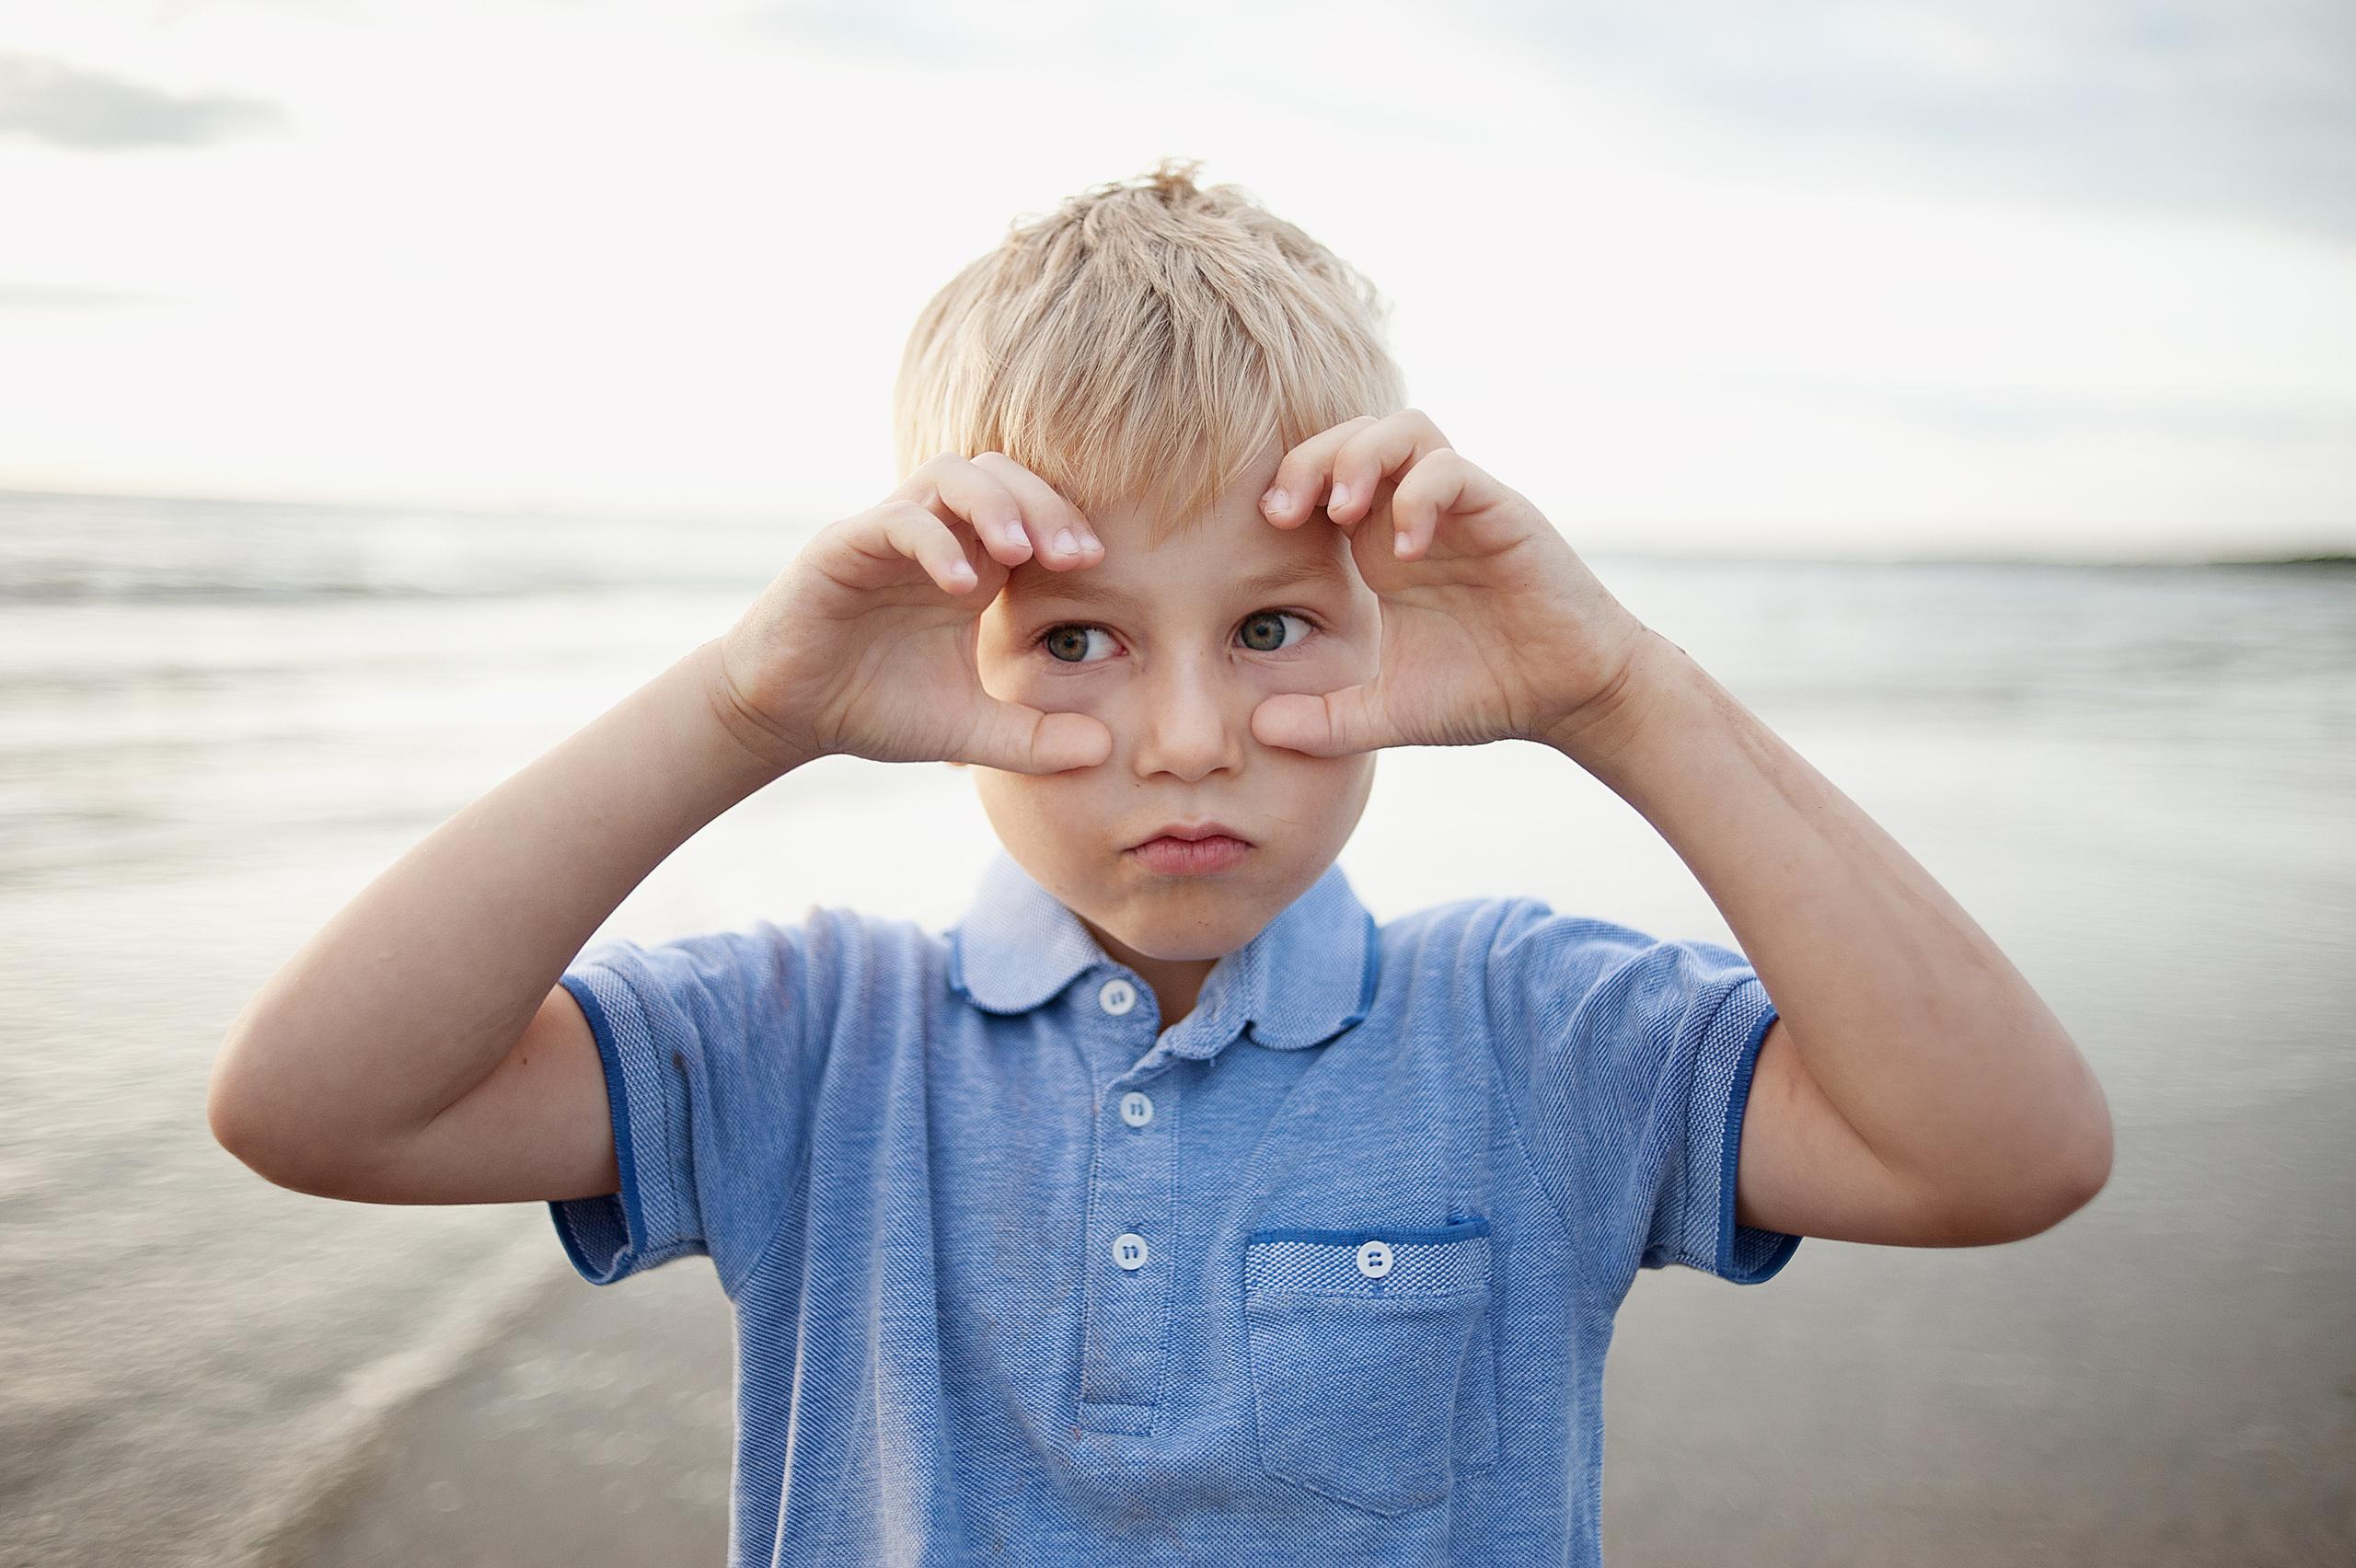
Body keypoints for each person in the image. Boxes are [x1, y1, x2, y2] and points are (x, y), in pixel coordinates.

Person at [208, 162, 2112, 1566]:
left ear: (1387, 629)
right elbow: (315, 1109)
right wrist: (740, 710)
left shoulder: (1528, 1029)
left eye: (1272, 627)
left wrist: (1616, 692)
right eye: (1075, 637)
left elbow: (2000, 1155)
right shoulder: (814, 1039)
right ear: (943, 652)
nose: (1184, 736)